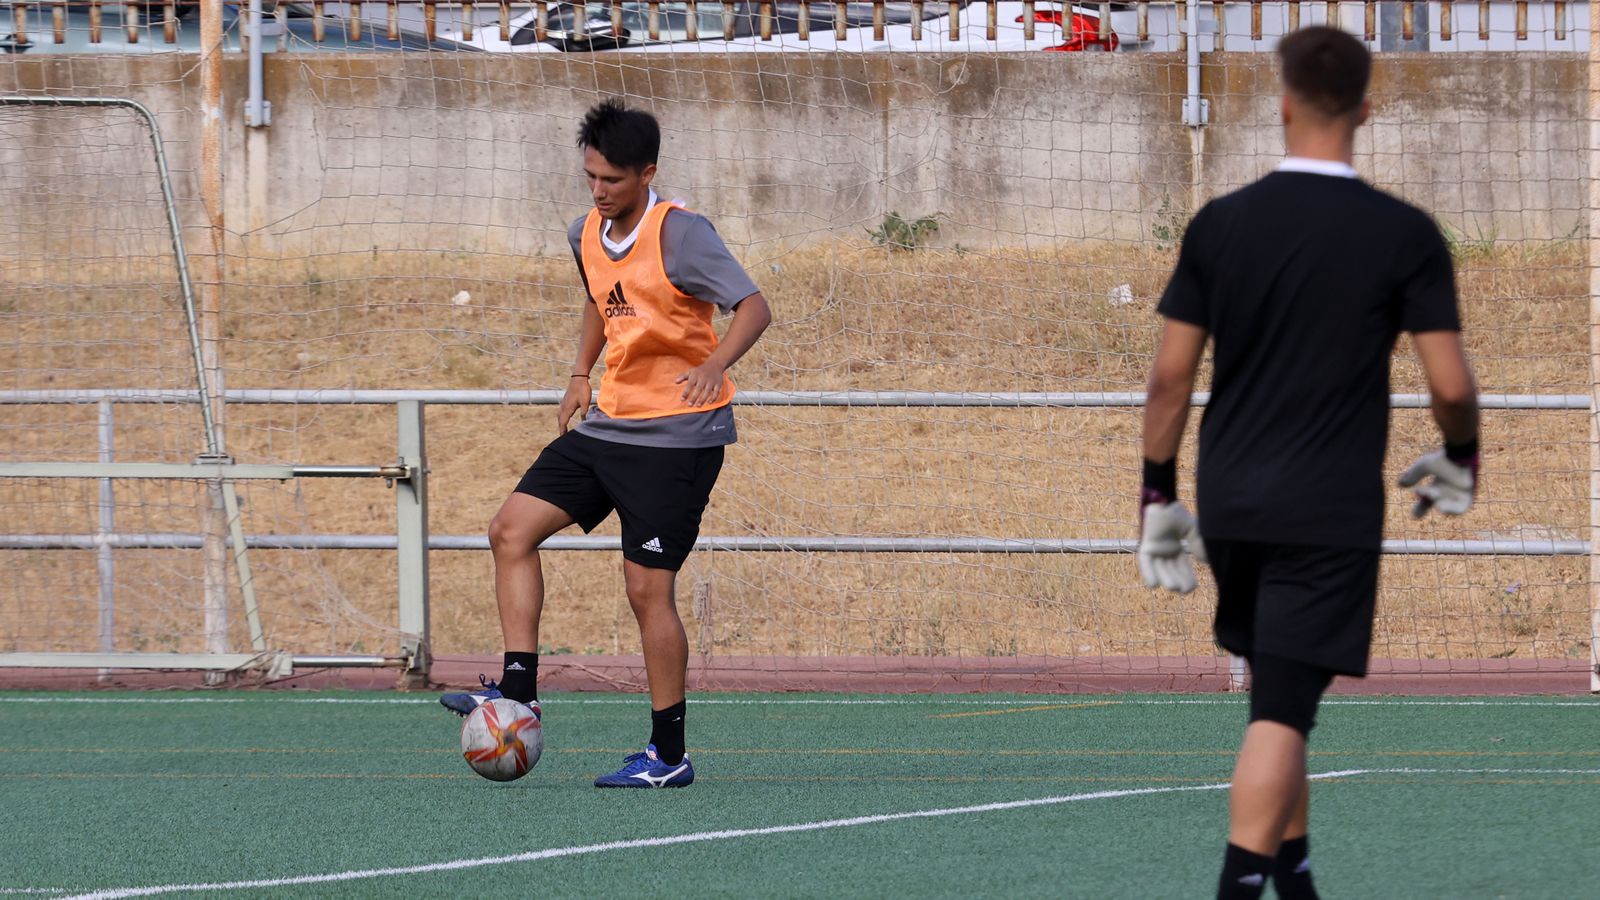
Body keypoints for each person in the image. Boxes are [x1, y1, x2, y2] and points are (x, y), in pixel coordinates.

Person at [1136, 26, 1480, 899]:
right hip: (1327, 508)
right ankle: (1240, 884)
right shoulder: (1403, 234)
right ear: (1366, 110)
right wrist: (1460, 455)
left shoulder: (1220, 224)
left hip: (1233, 499)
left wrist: (1158, 496)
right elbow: (1449, 380)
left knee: (1277, 693)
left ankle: (1296, 879)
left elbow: (1171, 376)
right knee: (1286, 709)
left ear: (1282, 103)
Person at [441, 98, 772, 790]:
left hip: (677, 438)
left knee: (646, 589)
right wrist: (578, 375)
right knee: (510, 529)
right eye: (590, 177)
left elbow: (754, 306)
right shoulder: (584, 230)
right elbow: (599, 296)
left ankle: (668, 754)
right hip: (607, 425)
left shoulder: (681, 233)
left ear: (646, 173)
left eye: (612, 180)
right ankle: (519, 691)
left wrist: (716, 364)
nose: (598, 191)